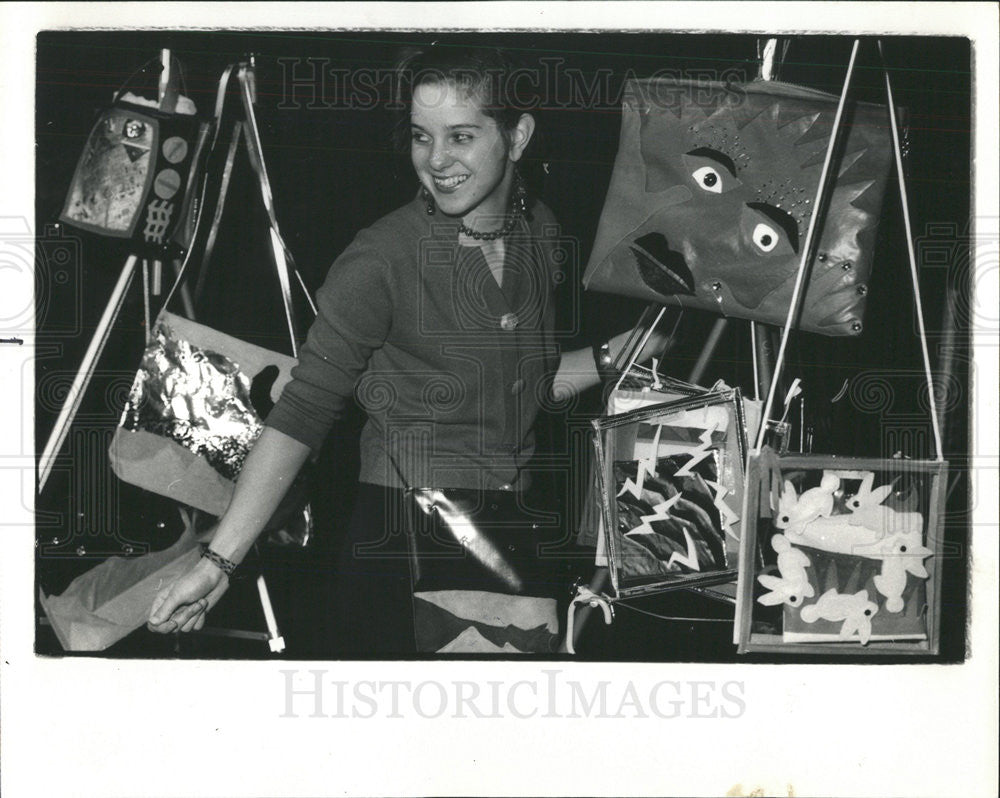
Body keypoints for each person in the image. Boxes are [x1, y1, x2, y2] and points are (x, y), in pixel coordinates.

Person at [148, 45, 666, 654]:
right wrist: (219, 562)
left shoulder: (540, 233)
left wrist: (623, 351)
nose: (436, 161)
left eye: (461, 137)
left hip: (511, 530)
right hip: (403, 537)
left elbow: (527, 384)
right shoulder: (382, 259)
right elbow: (299, 417)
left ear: (518, 136)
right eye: (423, 136)